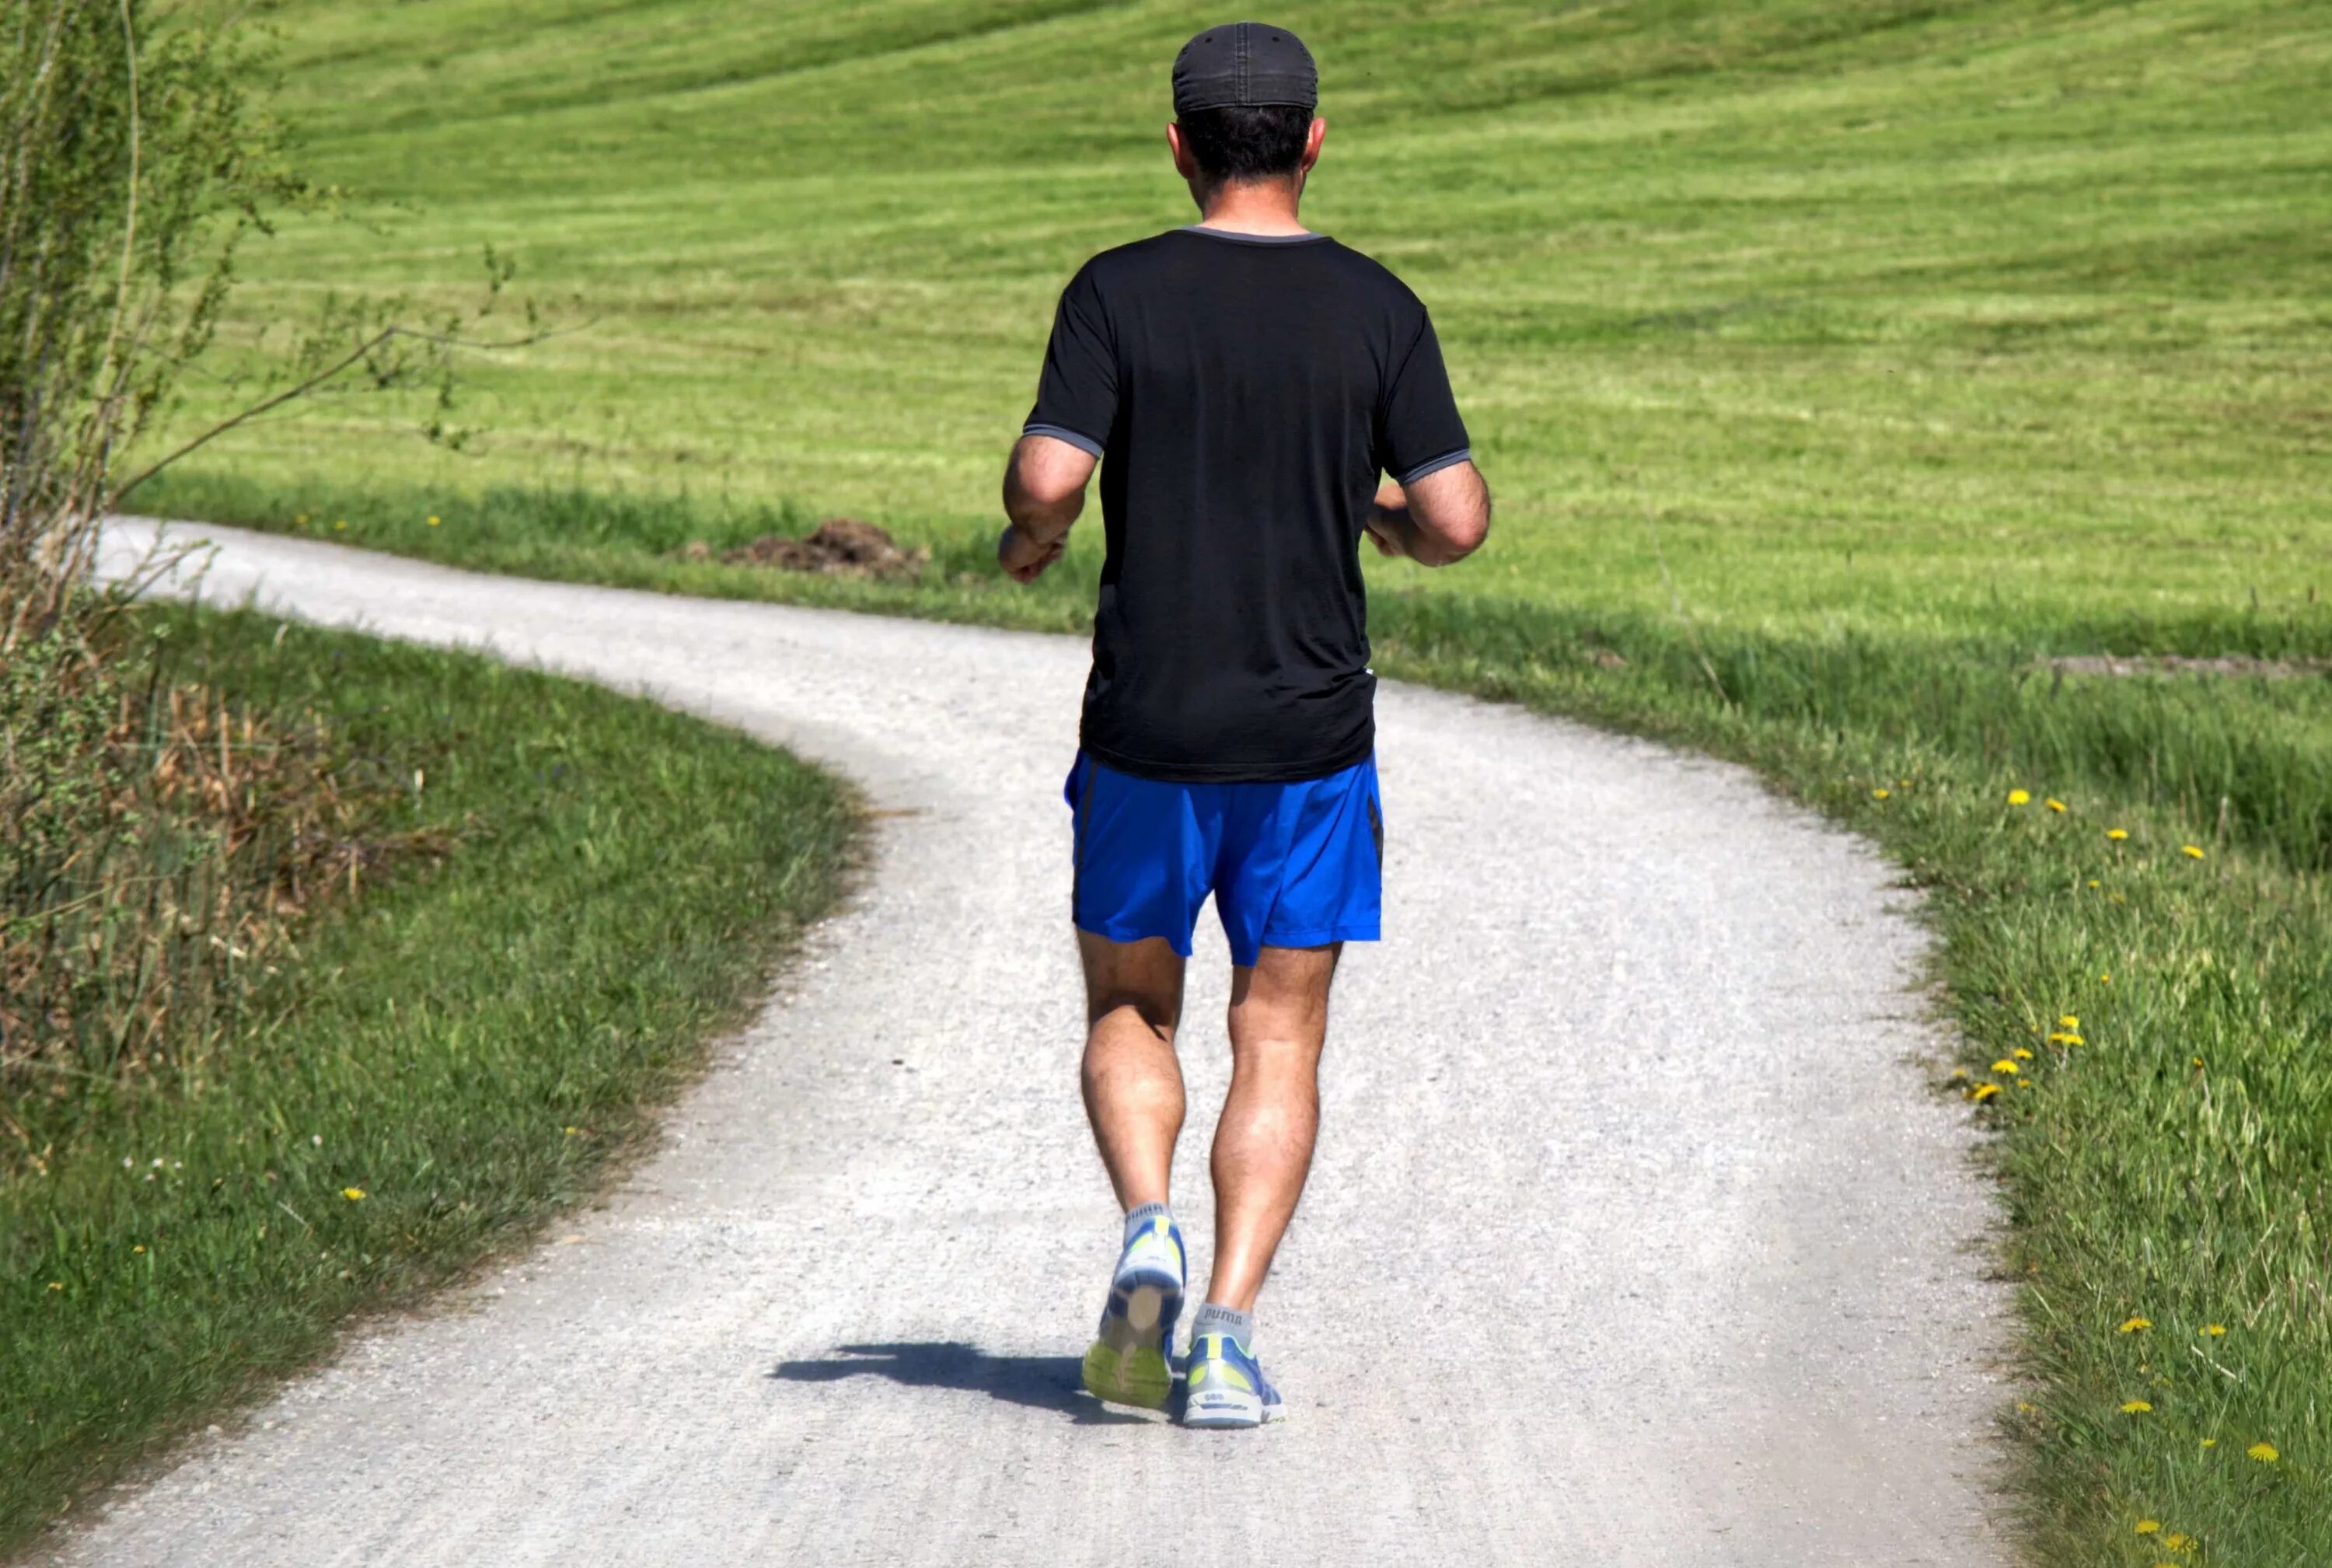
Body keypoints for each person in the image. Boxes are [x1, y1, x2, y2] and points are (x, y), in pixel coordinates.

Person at [997, 19, 1490, 1429]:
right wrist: (1384, 518)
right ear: (1315, 142)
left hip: (1148, 724)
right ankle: (1222, 1331)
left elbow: (1047, 472)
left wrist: (1038, 533)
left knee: (1129, 1007)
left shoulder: (1117, 291)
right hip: (1309, 739)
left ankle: (1144, 1221)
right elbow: (1454, 517)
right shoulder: (1376, 306)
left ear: (1179, 145)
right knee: (1279, 1036)